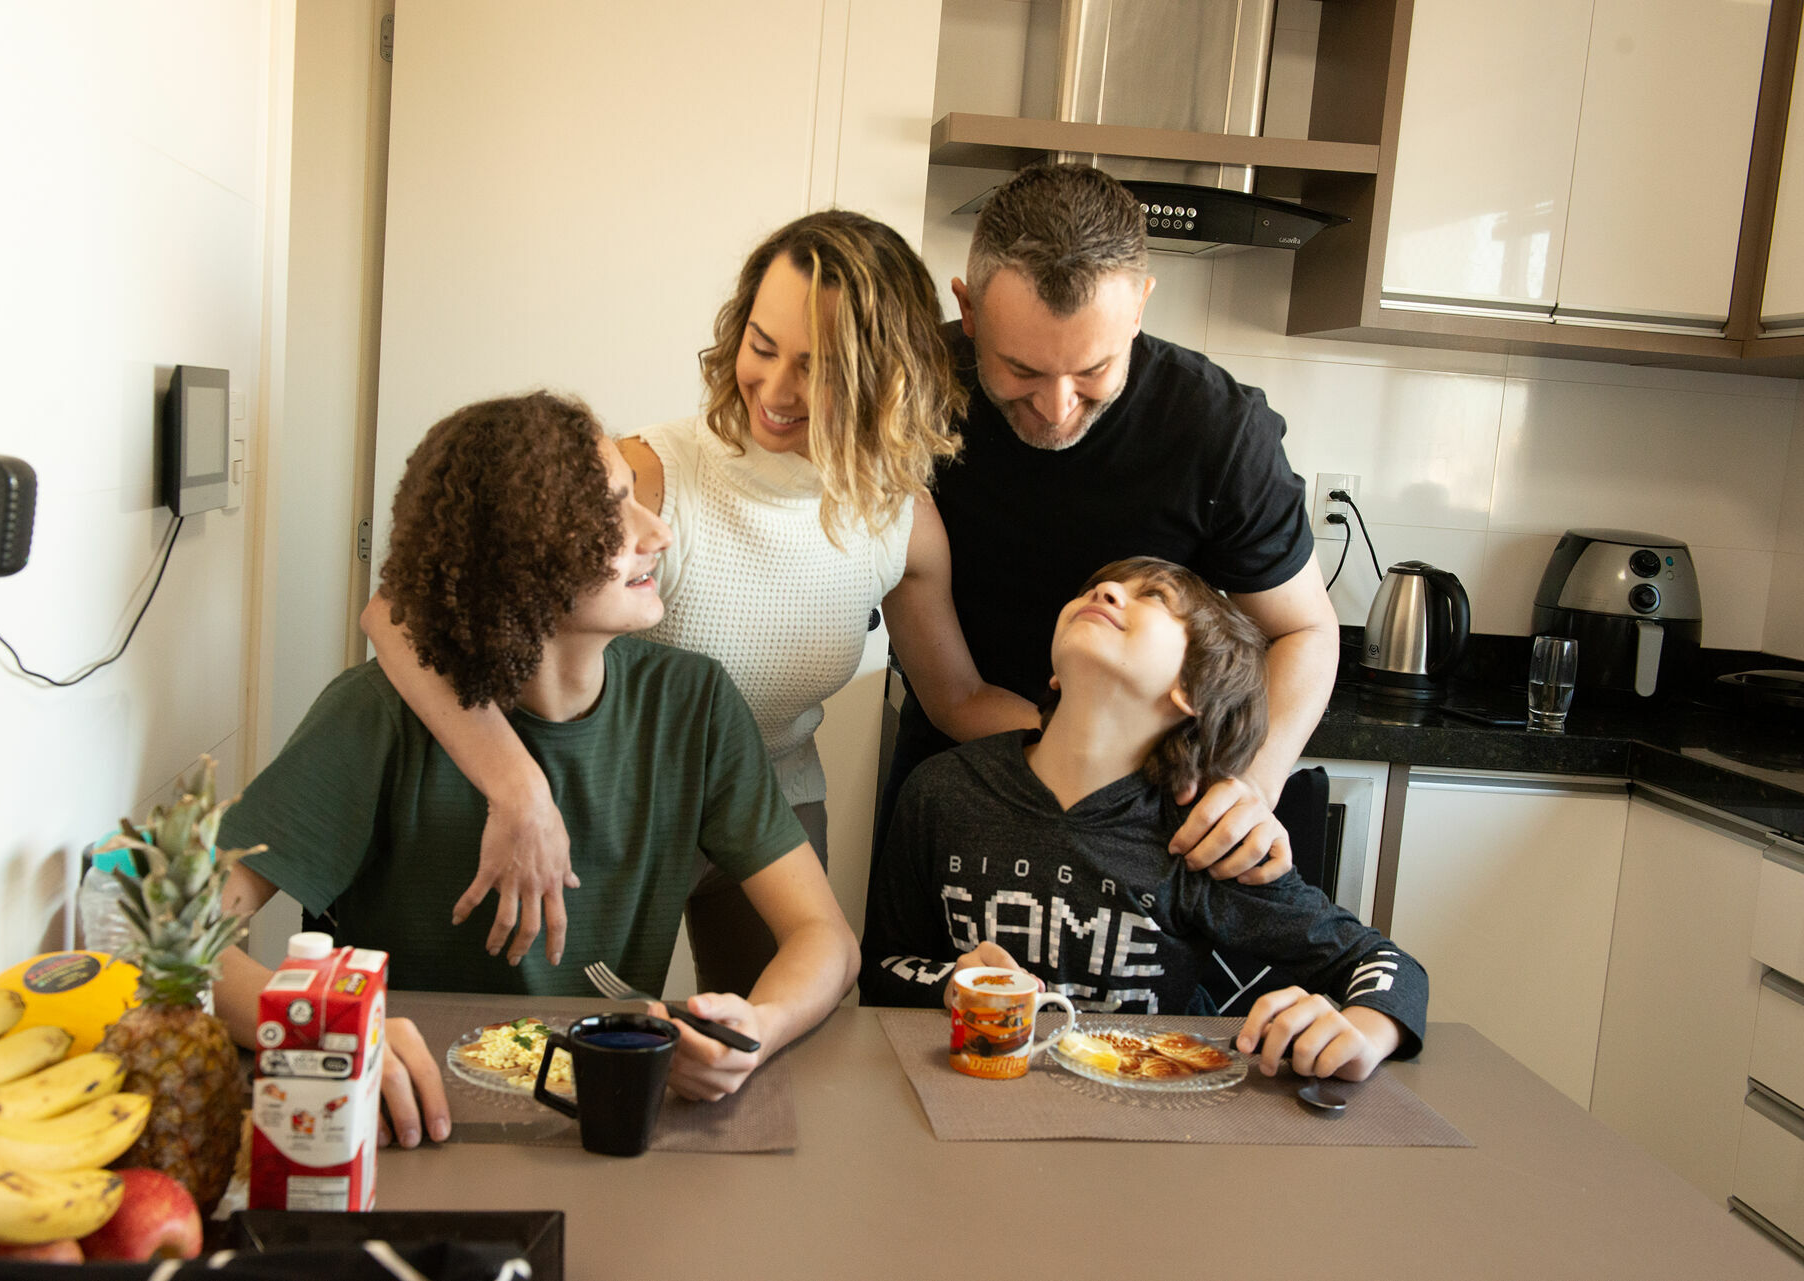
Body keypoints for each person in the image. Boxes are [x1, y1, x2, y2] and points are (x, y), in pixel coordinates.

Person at [361, 211, 1041, 990]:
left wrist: (1135, 744)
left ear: (885, 376)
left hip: (770, 803)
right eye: (761, 346)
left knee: (779, 1051)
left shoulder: (902, 522)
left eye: (816, 368)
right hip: (616, 796)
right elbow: (399, 613)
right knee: (566, 1049)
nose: (776, 391)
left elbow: (957, 697)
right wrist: (516, 785)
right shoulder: (647, 477)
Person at [213, 393, 860, 1149]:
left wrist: (758, 1024)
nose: (658, 531)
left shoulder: (694, 704)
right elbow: (176, 942)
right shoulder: (376, 715)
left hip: (605, 1127)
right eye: (615, 509)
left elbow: (827, 938)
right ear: (524, 551)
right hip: (408, 1131)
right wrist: (330, 1027)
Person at [877, 163, 1340, 884]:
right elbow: (953, 694)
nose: (1058, 406)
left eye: (1094, 369)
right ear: (967, 311)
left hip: (1154, 806)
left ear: (1139, 308)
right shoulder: (909, 400)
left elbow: (1305, 630)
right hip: (959, 769)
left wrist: (1251, 784)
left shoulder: (1218, 431)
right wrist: (1071, 756)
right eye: (1021, 369)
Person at [861, 558, 1424, 1081]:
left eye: (1153, 597)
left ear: (1193, 692)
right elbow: (881, 968)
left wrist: (1366, 1033)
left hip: (1147, 1119)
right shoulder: (942, 792)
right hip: (969, 1096)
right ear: (1056, 675)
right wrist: (947, 984)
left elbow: (1385, 965)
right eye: (1096, 588)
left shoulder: (1201, 836)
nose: (1104, 591)